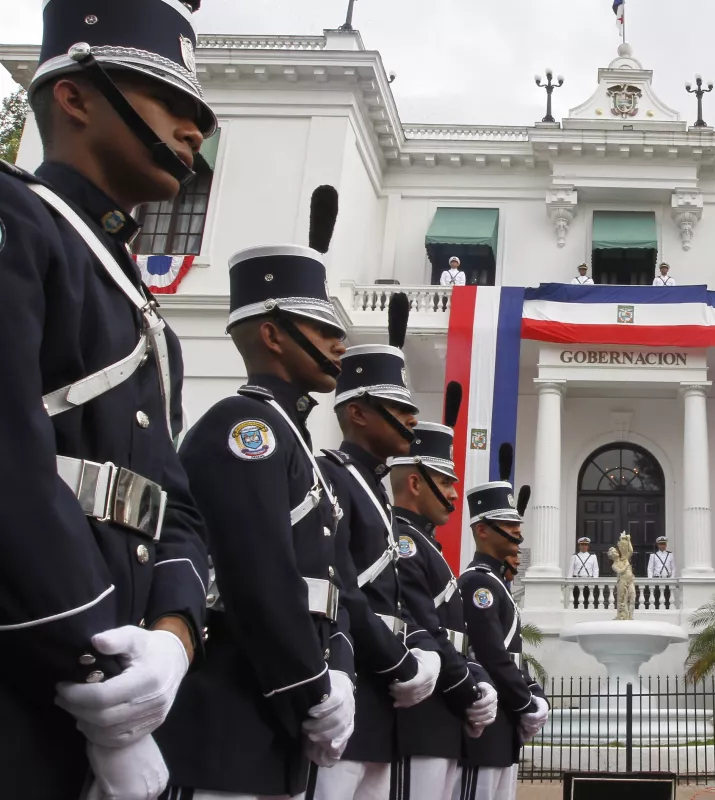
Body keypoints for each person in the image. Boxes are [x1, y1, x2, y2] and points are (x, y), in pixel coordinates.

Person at [0, 2, 213, 796]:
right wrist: (100, 677)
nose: (194, 132)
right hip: (33, 680)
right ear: (76, 95)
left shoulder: (141, 308)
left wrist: (171, 642)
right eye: (171, 103)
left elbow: (177, 510)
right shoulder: (18, 222)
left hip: (126, 683)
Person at [159, 190, 358, 799]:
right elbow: (258, 577)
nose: (338, 346)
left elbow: (330, 583)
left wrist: (337, 675)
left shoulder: (291, 437)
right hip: (235, 713)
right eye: (322, 330)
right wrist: (308, 688)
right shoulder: (246, 428)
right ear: (272, 334)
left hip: (275, 722)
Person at [314, 307, 441, 800]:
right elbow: (342, 585)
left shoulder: (373, 489)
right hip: (353, 676)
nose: (412, 417)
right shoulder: (334, 476)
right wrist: (397, 663)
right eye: (396, 405)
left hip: (382, 687)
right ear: (357, 412)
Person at [387, 394, 499, 800]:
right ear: (415, 483)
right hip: (420, 715)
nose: (455, 495)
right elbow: (423, 628)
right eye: (447, 482)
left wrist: (478, 680)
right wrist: (469, 688)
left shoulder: (425, 545)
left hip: (443, 712)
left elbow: (457, 637)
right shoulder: (404, 543)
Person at [459, 445, 551, 800]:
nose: (520, 535)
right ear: (482, 530)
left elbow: (512, 657)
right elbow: (491, 656)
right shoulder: (478, 582)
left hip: (505, 717)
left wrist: (532, 695)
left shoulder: (493, 583)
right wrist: (526, 702)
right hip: (489, 716)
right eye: (511, 525)